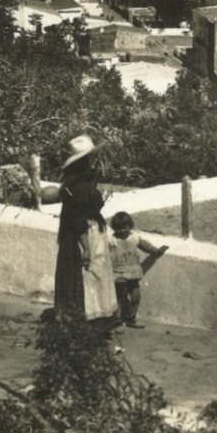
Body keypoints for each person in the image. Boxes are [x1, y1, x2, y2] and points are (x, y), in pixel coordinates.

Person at [45, 134, 108, 321]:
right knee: (85, 278)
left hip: (87, 233)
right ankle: (84, 319)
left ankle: (89, 317)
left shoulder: (80, 183)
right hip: (82, 236)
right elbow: (78, 218)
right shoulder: (79, 187)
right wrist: (86, 248)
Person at [107, 212, 168, 329]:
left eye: (125, 228)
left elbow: (145, 246)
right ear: (114, 228)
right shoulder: (111, 240)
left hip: (133, 272)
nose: (122, 231)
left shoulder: (134, 237)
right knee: (118, 298)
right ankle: (118, 322)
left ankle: (131, 319)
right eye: (119, 228)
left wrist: (157, 251)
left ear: (130, 226)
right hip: (118, 273)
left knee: (136, 296)